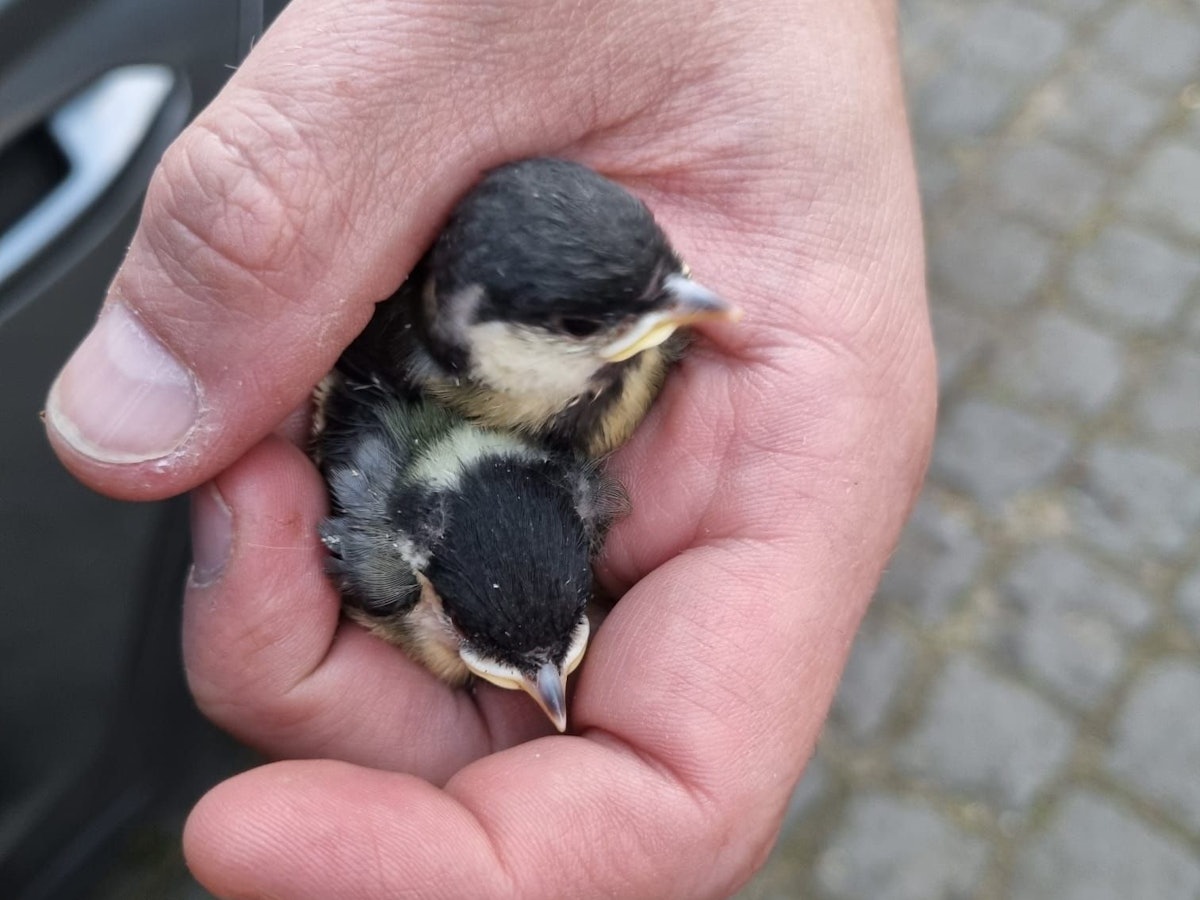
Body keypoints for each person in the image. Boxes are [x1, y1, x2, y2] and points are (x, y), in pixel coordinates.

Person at [44, 0, 935, 895]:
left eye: (666, 281)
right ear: (474, 329)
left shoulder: (588, 367)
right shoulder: (412, 369)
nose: (687, 309)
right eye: (593, 322)